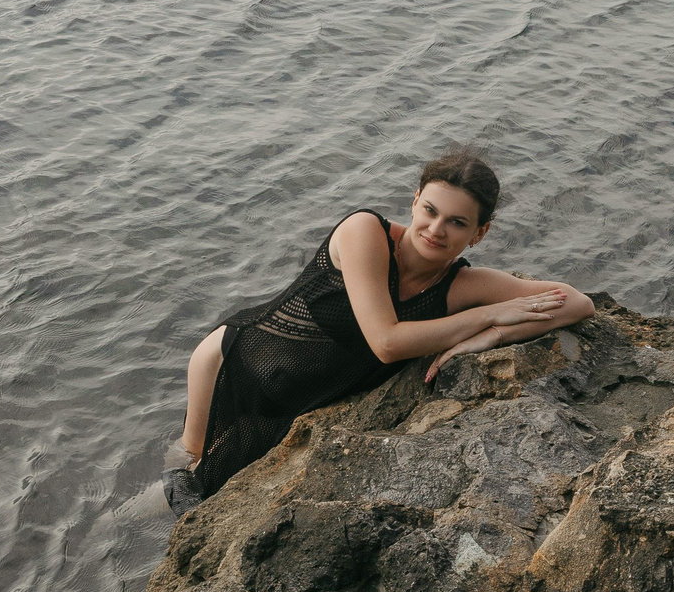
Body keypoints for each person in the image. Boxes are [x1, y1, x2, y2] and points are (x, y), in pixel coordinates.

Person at [166, 149, 595, 509]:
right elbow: (386, 343)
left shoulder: (463, 286)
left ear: (480, 233)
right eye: (429, 210)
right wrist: (487, 317)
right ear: (414, 202)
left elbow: (578, 302)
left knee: (211, 497)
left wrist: (494, 337)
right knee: (182, 483)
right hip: (235, 367)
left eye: (458, 223)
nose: (435, 229)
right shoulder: (364, 232)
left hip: (303, 397)